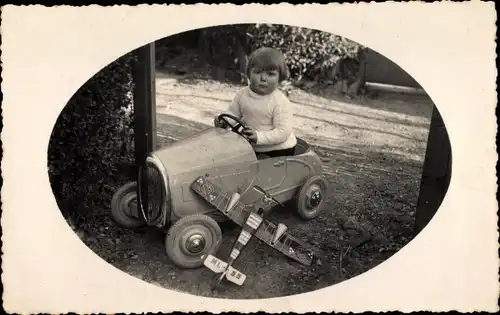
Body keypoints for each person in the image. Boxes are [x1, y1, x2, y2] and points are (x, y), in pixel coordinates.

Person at [214, 47, 297, 158]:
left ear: (280, 78)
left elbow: (283, 132)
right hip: (251, 145)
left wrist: (259, 137)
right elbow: (233, 113)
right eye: (257, 72)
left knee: (259, 164)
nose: (263, 78)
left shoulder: (280, 102)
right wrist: (224, 121)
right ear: (249, 74)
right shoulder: (243, 94)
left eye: (270, 74)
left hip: (277, 150)